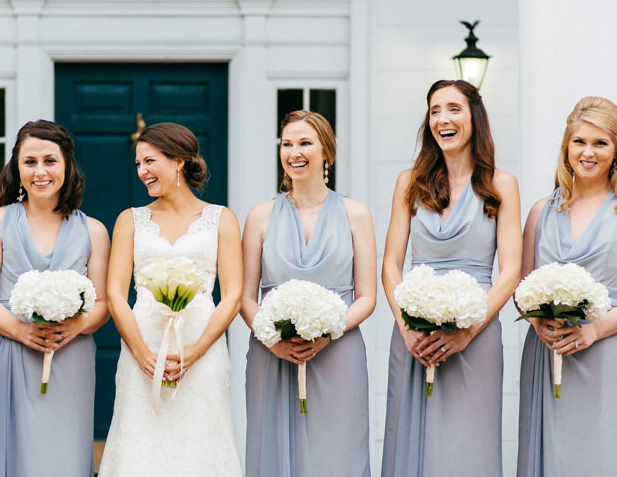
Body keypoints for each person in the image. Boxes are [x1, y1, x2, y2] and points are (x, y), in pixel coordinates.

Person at [380, 80, 521, 477]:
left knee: (467, 447)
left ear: (474, 118)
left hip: (475, 335)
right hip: (414, 334)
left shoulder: (501, 184)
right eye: (435, 110)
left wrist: (467, 331)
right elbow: (391, 265)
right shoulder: (409, 182)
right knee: (411, 442)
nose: (443, 118)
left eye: (454, 108)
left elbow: (510, 272)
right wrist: (407, 329)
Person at [98, 122, 243, 477]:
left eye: (149, 161)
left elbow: (233, 293)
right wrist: (143, 354)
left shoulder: (221, 219)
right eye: (137, 164)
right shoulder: (129, 220)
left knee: (201, 440)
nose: (142, 172)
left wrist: (196, 351)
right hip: (141, 346)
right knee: (140, 441)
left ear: (177, 161)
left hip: (203, 349)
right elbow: (116, 294)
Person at [0, 119, 110, 477]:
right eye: (30, 162)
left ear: (67, 165)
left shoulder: (94, 230)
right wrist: (22, 331)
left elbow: (103, 304)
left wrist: (74, 327)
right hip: (6, 350)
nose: (40, 171)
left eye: (50, 160)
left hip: (69, 354)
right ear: (17, 168)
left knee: (62, 454)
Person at [241, 110, 375, 477]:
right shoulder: (259, 216)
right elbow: (245, 297)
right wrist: (272, 340)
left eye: (305, 143)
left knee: (338, 453)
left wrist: (328, 331)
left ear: (326, 152)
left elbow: (367, 297)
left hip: (339, 350)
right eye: (287, 144)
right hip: (273, 353)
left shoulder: (356, 213)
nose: (294, 152)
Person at [516, 96, 617, 476]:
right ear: (566, 147)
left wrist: (593, 330)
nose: (587, 152)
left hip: (607, 356)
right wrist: (537, 321)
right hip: (548, 354)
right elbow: (522, 288)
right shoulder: (542, 211)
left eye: (600, 143)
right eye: (579, 142)